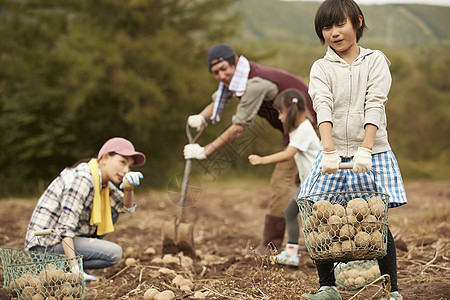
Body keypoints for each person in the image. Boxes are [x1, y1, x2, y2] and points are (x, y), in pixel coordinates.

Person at [299, 0, 406, 299]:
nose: (334, 32)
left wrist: (366, 149)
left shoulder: (375, 61)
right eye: (327, 27)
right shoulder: (321, 67)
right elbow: (322, 105)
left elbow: (375, 102)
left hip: (371, 151)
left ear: (357, 22)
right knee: (318, 216)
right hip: (333, 152)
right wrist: (328, 150)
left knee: (375, 219)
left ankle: (391, 290)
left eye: (340, 24)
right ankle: (327, 288)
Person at [184, 44, 317, 255]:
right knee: (311, 186)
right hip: (295, 131)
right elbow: (220, 99)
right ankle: (320, 239)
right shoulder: (237, 78)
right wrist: (201, 116)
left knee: (285, 182)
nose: (221, 75)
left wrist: (204, 151)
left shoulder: (255, 83)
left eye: (223, 69)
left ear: (235, 61)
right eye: (215, 72)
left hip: (312, 129)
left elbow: (238, 128)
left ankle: (271, 246)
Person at [25, 137, 146, 281]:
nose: (126, 170)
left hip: (59, 241)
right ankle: (67, 268)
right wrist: (76, 269)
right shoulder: (83, 179)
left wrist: (128, 189)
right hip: (44, 247)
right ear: (105, 157)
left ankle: (63, 269)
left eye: (130, 167)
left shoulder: (103, 182)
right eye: (122, 162)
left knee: (113, 210)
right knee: (114, 253)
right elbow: (65, 229)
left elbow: (126, 208)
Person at [248, 88, 320, 266]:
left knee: (318, 222)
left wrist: (262, 160)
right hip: (308, 184)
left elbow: (288, 154)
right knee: (290, 212)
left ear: (291, 109)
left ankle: (336, 257)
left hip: (317, 184)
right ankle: (291, 254)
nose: (279, 117)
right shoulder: (298, 130)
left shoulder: (304, 129)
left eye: (280, 112)